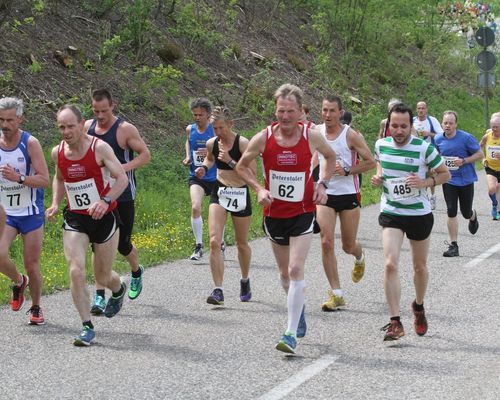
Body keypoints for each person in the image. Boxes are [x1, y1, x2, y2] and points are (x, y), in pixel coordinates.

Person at [236, 84, 336, 354]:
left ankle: (290, 333)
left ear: (300, 112)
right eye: (281, 111)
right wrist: (259, 189)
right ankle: (298, 309)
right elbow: (241, 166)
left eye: (291, 111)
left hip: (303, 212)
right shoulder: (263, 138)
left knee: (295, 270)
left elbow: (330, 156)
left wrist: (322, 183)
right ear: (275, 110)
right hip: (274, 214)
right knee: (283, 274)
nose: (286, 116)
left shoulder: (311, 136)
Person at [46, 104, 128, 346]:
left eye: (71, 126)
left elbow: (121, 178)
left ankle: (119, 288)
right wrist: (54, 203)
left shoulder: (99, 148)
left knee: (103, 275)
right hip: (76, 218)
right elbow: (59, 178)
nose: (66, 131)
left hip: (104, 218)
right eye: (61, 127)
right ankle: (86, 326)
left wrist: (105, 200)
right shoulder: (57, 152)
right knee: (75, 270)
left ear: (82, 125)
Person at [372, 103, 450, 341]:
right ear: (388, 125)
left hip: (418, 213)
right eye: (394, 125)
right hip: (392, 211)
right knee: (390, 264)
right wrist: (378, 177)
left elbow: (445, 174)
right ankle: (395, 321)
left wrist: (425, 183)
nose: (399, 130)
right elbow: (380, 164)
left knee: (419, 267)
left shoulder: (424, 148)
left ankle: (418, 305)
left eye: (403, 126)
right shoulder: (380, 145)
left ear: (411, 126)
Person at [84, 89, 151, 314]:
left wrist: (121, 168)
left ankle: (136, 271)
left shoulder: (124, 130)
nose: (100, 115)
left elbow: (145, 155)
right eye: (96, 111)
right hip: (98, 196)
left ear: (113, 105)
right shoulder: (87, 127)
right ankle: (100, 295)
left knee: (122, 245)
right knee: (98, 244)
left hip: (123, 195)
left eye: (104, 110)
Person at [314, 95, 376, 311]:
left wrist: (349, 170)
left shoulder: (351, 135)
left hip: (349, 193)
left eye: (332, 111)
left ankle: (359, 256)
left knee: (347, 245)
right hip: (326, 194)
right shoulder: (316, 132)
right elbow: (314, 157)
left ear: (340, 113)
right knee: (326, 242)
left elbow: (370, 162)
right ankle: (336, 293)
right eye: (324, 110)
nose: (328, 115)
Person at [195, 106, 254, 305]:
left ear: (231, 124)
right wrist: (204, 167)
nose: (218, 132)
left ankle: (244, 279)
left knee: (242, 243)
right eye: (215, 129)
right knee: (214, 241)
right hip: (220, 192)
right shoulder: (213, 143)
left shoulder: (243, 143)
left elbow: (251, 173)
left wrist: (230, 161)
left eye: (221, 128)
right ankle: (218, 290)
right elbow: (210, 159)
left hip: (240, 192)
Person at [0, 97, 49, 325]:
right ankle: (20, 281)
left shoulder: (30, 143)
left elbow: (44, 179)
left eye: (10, 120)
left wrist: (18, 177)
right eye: (1, 119)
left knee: (32, 262)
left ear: (20, 119)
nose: (5, 125)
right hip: (6, 214)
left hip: (30, 212)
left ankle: (36, 306)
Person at [434, 111, 483, 257]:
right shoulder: (437, 139)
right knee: (451, 210)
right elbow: (435, 156)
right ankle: (453, 245)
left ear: (456, 124)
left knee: (465, 211)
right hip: (448, 179)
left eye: (450, 123)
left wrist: (464, 161)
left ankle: (472, 215)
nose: (447, 125)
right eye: (445, 123)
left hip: (465, 179)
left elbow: (480, 154)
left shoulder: (466, 138)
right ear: (442, 124)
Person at [182, 98, 218, 261]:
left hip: (216, 176)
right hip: (196, 176)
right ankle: (198, 246)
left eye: (200, 115)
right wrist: (188, 156)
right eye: (194, 115)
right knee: (196, 207)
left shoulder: (215, 129)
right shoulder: (191, 129)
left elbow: (225, 147)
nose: (197, 118)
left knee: (217, 212)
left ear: (208, 115)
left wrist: (211, 154)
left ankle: (220, 241)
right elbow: (188, 143)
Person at [413, 101, 444, 210]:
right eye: (419, 108)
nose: (421, 110)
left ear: (426, 109)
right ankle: (423, 196)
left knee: (431, 173)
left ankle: (432, 196)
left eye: (423, 108)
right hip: (416, 152)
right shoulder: (412, 121)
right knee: (421, 173)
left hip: (430, 151)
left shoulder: (432, 120)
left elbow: (441, 135)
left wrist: (429, 134)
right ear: (416, 110)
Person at [479, 114, 500, 220]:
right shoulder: (487, 136)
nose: (494, 129)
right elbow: (479, 148)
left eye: (497, 126)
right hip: (491, 167)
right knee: (492, 189)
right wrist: (483, 159)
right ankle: (495, 204)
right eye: (493, 126)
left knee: (499, 188)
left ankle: (498, 209)